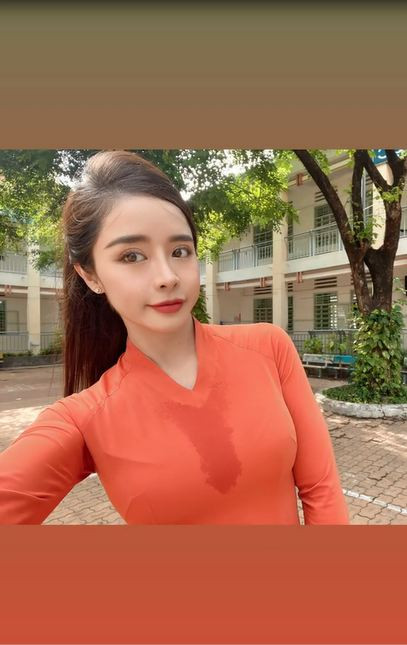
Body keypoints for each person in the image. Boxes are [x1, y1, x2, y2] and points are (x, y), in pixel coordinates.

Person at [0, 150, 349, 525]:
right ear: (91, 275)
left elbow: (321, 490)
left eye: (180, 251)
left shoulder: (268, 347)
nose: (167, 276)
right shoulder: (84, 418)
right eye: (132, 256)